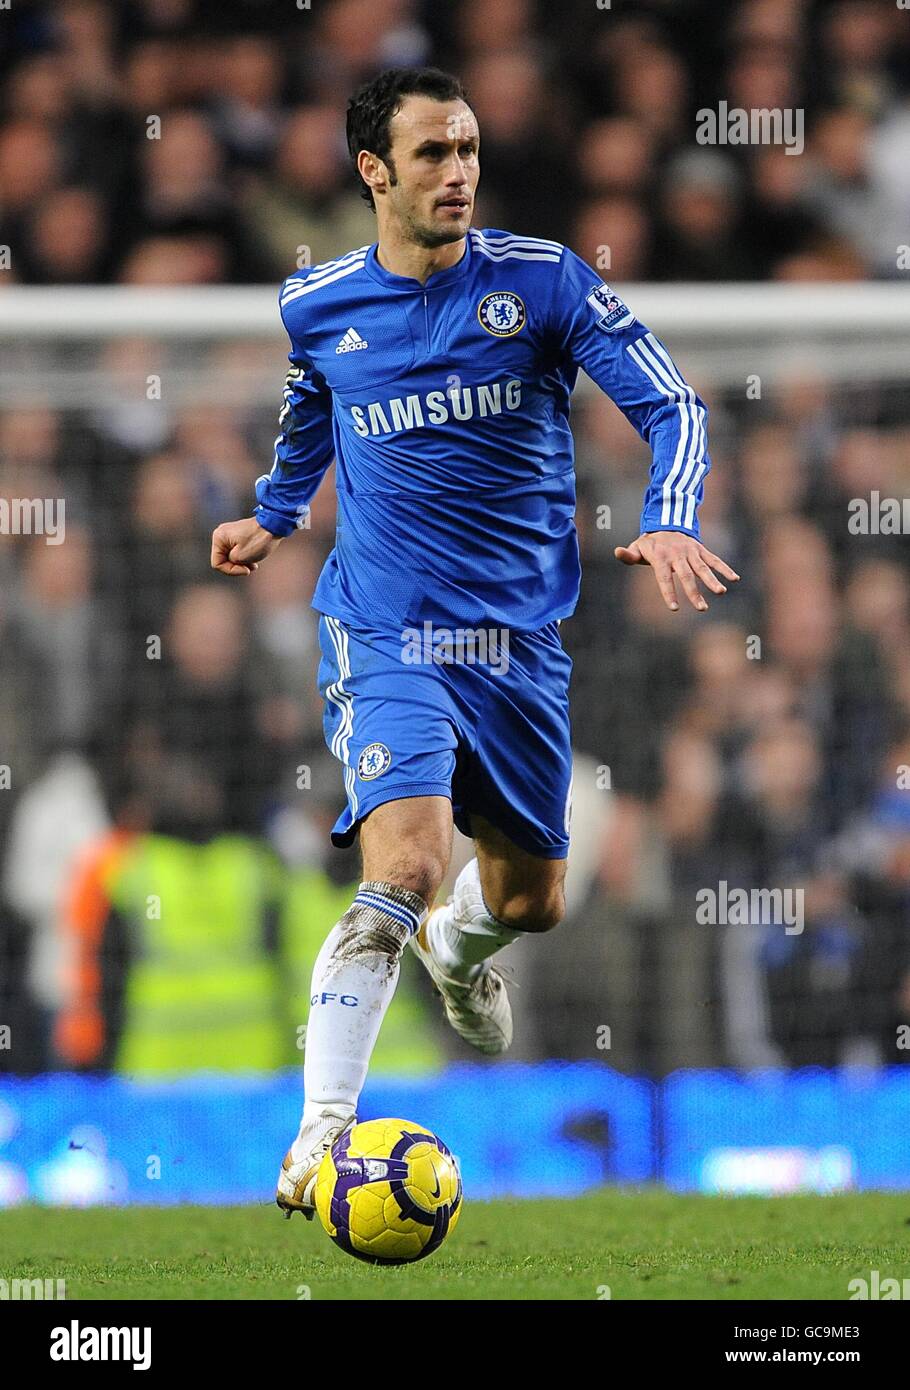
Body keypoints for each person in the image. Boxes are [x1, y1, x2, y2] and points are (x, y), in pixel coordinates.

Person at [211, 66, 738, 1219]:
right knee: (403, 861)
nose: (459, 174)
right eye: (433, 155)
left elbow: (673, 406)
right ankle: (321, 1139)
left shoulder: (543, 283)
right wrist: (277, 510)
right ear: (373, 173)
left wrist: (668, 516)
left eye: (469, 150)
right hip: (383, 629)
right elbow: (313, 409)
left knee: (535, 899)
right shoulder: (319, 300)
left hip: (517, 649)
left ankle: (459, 951)